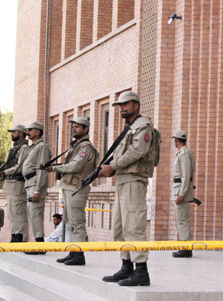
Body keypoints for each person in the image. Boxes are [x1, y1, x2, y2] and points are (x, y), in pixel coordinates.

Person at [100, 91, 156, 286]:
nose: (122, 108)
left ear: (136, 105)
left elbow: (137, 152)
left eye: (126, 104)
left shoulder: (143, 126)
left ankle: (141, 271)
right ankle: (126, 266)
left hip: (134, 180)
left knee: (134, 226)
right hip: (124, 181)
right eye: (120, 105)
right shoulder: (130, 128)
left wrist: (112, 166)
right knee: (120, 227)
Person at [47, 117, 97, 265]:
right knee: (68, 222)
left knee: (77, 222)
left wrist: (55, 168)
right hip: (69, 187)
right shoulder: (76, 146)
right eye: (73, 126)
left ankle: (79, 255)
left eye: (78, 127)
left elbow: (75, 166)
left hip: (77, 187)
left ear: (86, 129)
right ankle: (73, 251)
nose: (74, 129)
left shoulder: (85, 148)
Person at [22, 121, 52, 253]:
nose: (27, 132)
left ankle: (40, 246)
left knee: (35, 213)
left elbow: (42, 169)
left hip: (35, 183)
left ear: (38, 132)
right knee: (32, 214)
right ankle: (37, 244)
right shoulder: (33, 147)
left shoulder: (42, 147)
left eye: (31, 130)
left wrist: (37, 190)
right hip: (29, 182)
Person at [2, 124, 30, 243]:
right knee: (11, 213)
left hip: (18, 184)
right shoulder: (13, 149)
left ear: (21, 133)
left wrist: (5, 172)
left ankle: (20, 237)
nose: (12, 134)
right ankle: (14, 235)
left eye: (15, 132)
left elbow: (20, 167)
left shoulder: (24, 148)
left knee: (18, 213)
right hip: (11, 184)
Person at [171, 130, 195, 258]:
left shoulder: (184, 154)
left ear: (176, 140)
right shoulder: (182, 153)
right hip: (178, 190)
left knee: (182, 221)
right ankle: (184, 246)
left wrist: (182, 193)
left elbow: (186, 176)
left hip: (181, 191)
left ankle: (185, 249)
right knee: (179, 219)